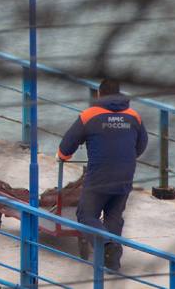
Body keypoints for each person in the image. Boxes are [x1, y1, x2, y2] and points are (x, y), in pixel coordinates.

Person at [56, 79, 148, 271]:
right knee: (114, 217)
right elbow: (141, 146)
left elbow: (66, 147)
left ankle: (106, 244)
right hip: (125, 174)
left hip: (100, 176)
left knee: (85, 214)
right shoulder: (134, 116)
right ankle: (112, 264)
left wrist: (62, 156)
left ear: (99, 95)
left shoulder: (90, 115)